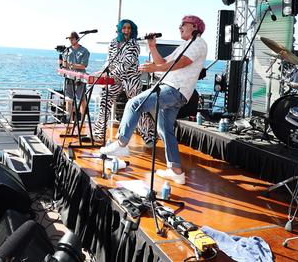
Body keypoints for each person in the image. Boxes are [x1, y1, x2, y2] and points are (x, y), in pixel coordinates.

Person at [99, 16, 208, 185]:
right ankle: (175, 170)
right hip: (175, 90)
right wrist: (152, 46)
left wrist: (155, 68)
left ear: (194, 26)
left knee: (134, 103)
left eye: (182, 24)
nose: (179, 27)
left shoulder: (199, 43)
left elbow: (180, 64)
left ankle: (121, 143)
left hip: (173, 89)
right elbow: (164, 62)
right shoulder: (185, 45)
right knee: (164, 129)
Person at [92, 20, 155, 143]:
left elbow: (126, 63)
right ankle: (99, 133)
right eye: (124, 28)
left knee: (138, 107)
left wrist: (110, 74)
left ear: (132, 30)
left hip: (131, 78)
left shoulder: (134, 44)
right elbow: (109, 60)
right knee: (105, 102)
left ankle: (149, 136)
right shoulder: (113, 42)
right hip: (115, 79)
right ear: (120, 29)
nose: (126, 30)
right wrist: (102, 71)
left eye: (129, 28)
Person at [60, 31, 90, 121]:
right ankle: (69, 119)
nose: (70, 40)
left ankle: (83, 121)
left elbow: (83, 65)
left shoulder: (84, 51)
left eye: (72, 39)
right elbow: (64, 64)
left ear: (77, 39)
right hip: (69, 78)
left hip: (80, 79)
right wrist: (62, 64)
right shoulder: (67, 50)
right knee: (69, 99)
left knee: (81, 99)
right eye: (69, 39)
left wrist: (70, 65)